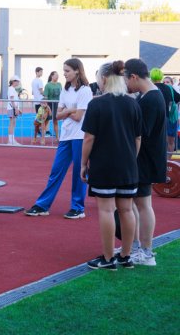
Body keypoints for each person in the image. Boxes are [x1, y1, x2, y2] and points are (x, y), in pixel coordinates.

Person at [81, 61, 142, 270]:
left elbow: (89, 137)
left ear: (104, 78)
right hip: (128, 165)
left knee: (107, 210)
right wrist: (131, 159)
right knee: (127, 210)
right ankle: (126, 256)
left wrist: (83, 163)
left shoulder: (97, 104)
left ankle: (108, 259)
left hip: (104, 164)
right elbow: (138, 138)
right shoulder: (133, 103)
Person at [25, 58, 92, 219]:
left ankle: (77, 207)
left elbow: (78, 117)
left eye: (67, 71)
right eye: (64, 71)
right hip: (66, 136)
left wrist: (67, 112)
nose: (64, 74)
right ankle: (42, 205)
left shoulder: (85, 90)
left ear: (77, 71)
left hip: (80, 136)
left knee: (79, 172)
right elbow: (58, 115)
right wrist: (71, 110)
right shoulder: (65, 90)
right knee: (56, 171)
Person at [123, 58, 167, 266]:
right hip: (147, 158)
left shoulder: (150, 99)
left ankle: (146, 252)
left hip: (145, 159)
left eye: (126, 79)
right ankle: (135, 248)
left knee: (142, 204)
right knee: (136, 204)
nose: (125, 84)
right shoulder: (150, 95)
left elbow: (141, 133)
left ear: (134, 76)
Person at [152, 71, 180, 152]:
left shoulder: (171, 90)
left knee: (169, 141)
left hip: (169, 118)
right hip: (167, 118)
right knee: (165, 141)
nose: (165, 83)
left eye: (167, 82)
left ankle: (168, 162)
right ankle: (166, 162)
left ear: (172, 83)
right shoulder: (165, 89)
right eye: (164, 82)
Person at [44, 71, 62, 138]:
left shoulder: (59, 84)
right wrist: (46, 106)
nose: (57, 77)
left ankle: (57, 137)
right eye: (56, 75)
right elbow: (45, 97)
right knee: (45, 122)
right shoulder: (48, 85)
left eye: (58, 75)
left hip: (57, 105)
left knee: (55, 121)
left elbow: (62, 94)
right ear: (52, 76)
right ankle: (43, 137)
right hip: (49, 105)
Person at [7, 75, 22, 145]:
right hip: (12, 108)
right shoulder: (11, 89)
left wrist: (17, 109)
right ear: (13, 81)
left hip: (13, 108)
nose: (18, 83)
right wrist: (15, 108)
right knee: (12, 123)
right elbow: (12, 99)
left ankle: (12, 139)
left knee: (13, 123)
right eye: (17, 81)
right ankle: (11, 140)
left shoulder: (12, 89)